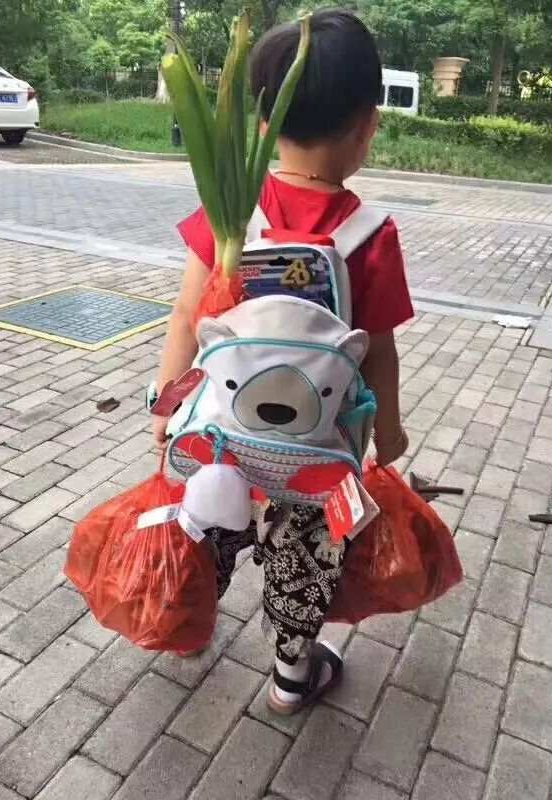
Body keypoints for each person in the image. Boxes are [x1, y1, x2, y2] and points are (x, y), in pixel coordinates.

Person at [152, 8, 413, 714]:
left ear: (261, 123)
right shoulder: (371, 235)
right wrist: (388, 432)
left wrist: (167, 401)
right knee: (308, 547)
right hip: (320, 447)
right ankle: (293, 677)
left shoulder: (232, 210)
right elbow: (379, 350)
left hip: (227, 435)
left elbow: (185, 316)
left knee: (207, 518)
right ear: (368, 126)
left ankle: (183, 624)